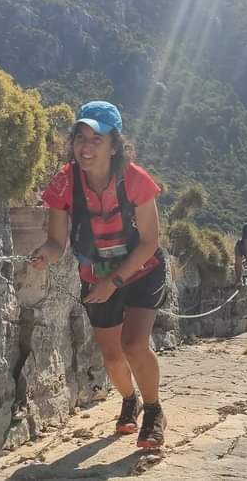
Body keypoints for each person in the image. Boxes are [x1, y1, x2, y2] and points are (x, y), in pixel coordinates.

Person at [30, 101, 169, 449]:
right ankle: (129, 400)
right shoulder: (64, 182)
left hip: (141, 270)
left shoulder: (135, 180)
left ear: (114, 144)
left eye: (97, 138)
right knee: (111, 357)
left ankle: (153, 412)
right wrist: (43, 255)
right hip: (95, 275)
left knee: (134, 344)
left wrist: (114, 281)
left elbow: (150, 241)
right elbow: (56, 241)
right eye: (80, 137)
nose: (86, 147)